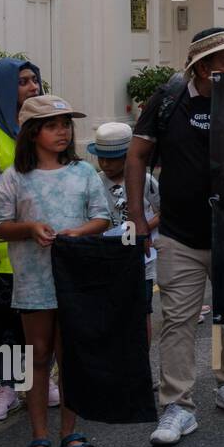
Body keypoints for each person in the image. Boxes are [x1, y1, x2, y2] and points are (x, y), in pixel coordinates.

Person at [127, 29, 224, 447]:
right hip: (179, 236)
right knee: (178, 320)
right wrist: (137, 215)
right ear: (203, 68)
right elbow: (137, 154)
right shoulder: (168, 101)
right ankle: (178, 406)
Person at [0, 95, 111, 447]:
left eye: (65, 124)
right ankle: (38, 435)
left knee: (70, 359)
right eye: (52, 125)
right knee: (38, 356)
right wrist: (28, 228)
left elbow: (102, 217)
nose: (62, 131)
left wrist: (78, 233)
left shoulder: (83, 172)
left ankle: (69, 432)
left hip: (74, 280)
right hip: (33, 281)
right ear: (32, 133)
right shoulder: (14, 177)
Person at [0, 58, 46, 421]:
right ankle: (5, 388)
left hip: (41, 245)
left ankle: (42, 379)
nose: (32, 87)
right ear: (3, 89)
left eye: (35, 80)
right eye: (22, 82)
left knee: (40, 317)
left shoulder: (46, 125)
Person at [89, 122, 160, 345]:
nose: (106, 164)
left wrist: (144, 226)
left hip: (142, 261)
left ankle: (141, 364)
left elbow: (163, 210)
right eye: (102, 158)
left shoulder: (146, 181)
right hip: (107, 259)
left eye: (113, 158)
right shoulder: (94, 182)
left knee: (141, 312)